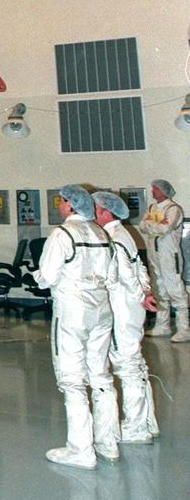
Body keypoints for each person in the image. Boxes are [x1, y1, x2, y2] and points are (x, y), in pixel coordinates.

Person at [36, 184, 120, 468]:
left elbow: (46, 276)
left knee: (72, 380)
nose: (58, 205)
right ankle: (108, 442)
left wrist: (40, 276)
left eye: (61, 201)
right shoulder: (100, 233)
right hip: (101, 311)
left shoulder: (62, 234)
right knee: (100, 375)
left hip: (72, 312)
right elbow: (112, 274)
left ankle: (80, 449)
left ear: (70, 205)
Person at [92, 190, 159, 443]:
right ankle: (147, 421)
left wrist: (139, 294)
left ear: (106, 212)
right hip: (130, 306)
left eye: (95, 210)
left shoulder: (114, 238)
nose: (91, 214)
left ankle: (136, 427)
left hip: (122, 308)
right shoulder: (123, 234)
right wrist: (145, 291)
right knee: (136, 364)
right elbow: (139, 267)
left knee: (127, 366)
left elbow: (126, 276)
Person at [140, 179, 189, 342]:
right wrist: (154, 224)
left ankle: (184, 328)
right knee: (158, 289)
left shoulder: (173, 209)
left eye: (155, 189)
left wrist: (152, 225)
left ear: (163, 191)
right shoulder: (152, 208)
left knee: (174, 289)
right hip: (154, 254)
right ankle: (163, 325)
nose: (153, 191)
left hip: (169, 255)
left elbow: (165, 228)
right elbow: (142, 226)